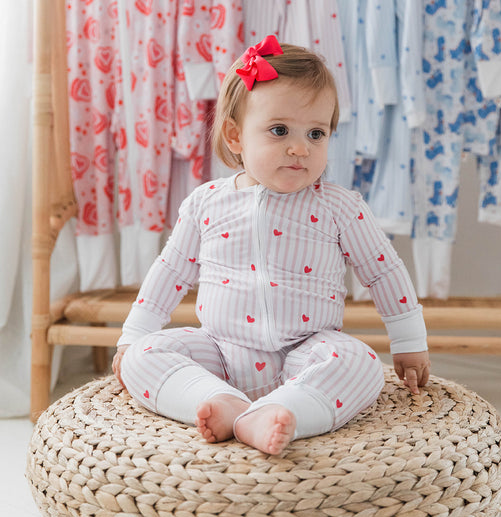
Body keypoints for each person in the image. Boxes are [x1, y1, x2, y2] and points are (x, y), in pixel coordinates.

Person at [113, 36, 430, 455]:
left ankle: (282, 411)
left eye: (316, 133)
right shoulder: (206, 203)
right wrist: (134, 334)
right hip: (219, 355)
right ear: (235, 136)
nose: (300, 148)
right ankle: (217, 401)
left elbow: (383, 272)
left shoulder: (339, 206)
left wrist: (408, 340)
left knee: (363, 364)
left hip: (306, 354)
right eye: (280, 131)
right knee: (143, 356)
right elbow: (170, 272)